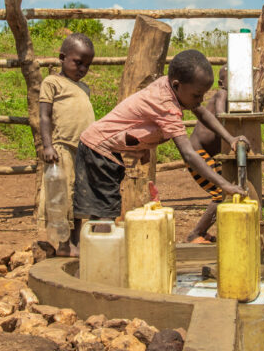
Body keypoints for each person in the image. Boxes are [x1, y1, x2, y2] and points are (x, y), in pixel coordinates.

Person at [71, 49, 247, 255]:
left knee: (100, 207)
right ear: (177, 86)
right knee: (105, 212)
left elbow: (202, 113)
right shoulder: (166, 105)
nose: (199, 100)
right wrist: (224, 184)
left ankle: (87, 254)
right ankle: (100, 261)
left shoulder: (171, 87)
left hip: (103, 147)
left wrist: (231, 139)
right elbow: (188, 154)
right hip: (99, 149)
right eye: (197, 95)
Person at [38, 33, 96, 256]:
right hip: (62, 148)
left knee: (79, 197)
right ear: (62, 57)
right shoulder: (52, 82)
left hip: (84, 150)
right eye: (78, 62)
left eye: (87, 65)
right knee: (61, 196)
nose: (82, 68)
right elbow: (44, 116)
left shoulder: (84, 88)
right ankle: (63, 244)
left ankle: (77, 241)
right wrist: (47, 145)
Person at [185, 66, 229, 244]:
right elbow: (220, 114)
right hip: (197, 153)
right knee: (221, 193)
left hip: (205, 154)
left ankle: (201, 232)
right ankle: (196, 234)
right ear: (221, 83)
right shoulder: (222, 94)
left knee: (224, 193)